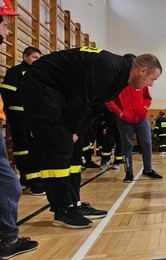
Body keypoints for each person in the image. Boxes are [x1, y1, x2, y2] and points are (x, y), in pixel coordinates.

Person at [21, 48, 162, 229]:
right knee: (59, 144)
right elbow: (81, 100)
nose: (151, 85)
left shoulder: (120, 77)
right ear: (142, 70)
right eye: (152, 79)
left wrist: (77, 131)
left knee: (75, 145)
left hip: (61, 92)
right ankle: (62, 210)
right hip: (41, 86)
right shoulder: (109, 68)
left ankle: (74, 204)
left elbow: (95, 107)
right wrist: (71, 129)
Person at [0, 1, 39, 258]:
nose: (6, 31)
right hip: (18, 119)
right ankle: (7, 240)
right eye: (4, 23)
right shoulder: (17, 73)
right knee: (8, 183)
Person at [0, 46, 45, 195]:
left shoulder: (39, 74)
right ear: (25, 56)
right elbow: (7, 93)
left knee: (34, 146)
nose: (37, 61)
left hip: (34, 116)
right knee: (24, 147)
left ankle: (28, 178)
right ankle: (33, 181)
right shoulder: (16, 72)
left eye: (39, 58)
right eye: (34, 57)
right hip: (19, 115)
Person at [107, 74, 163, 183]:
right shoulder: (117, 84)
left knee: (147, 143)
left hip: (142, 118)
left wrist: (144, 107)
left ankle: (148, 169)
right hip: (124, 121)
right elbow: (109, 102)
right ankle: (128, 172)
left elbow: (147, 97)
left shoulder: (141, 82)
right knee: (127, 145)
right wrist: (121, 113)